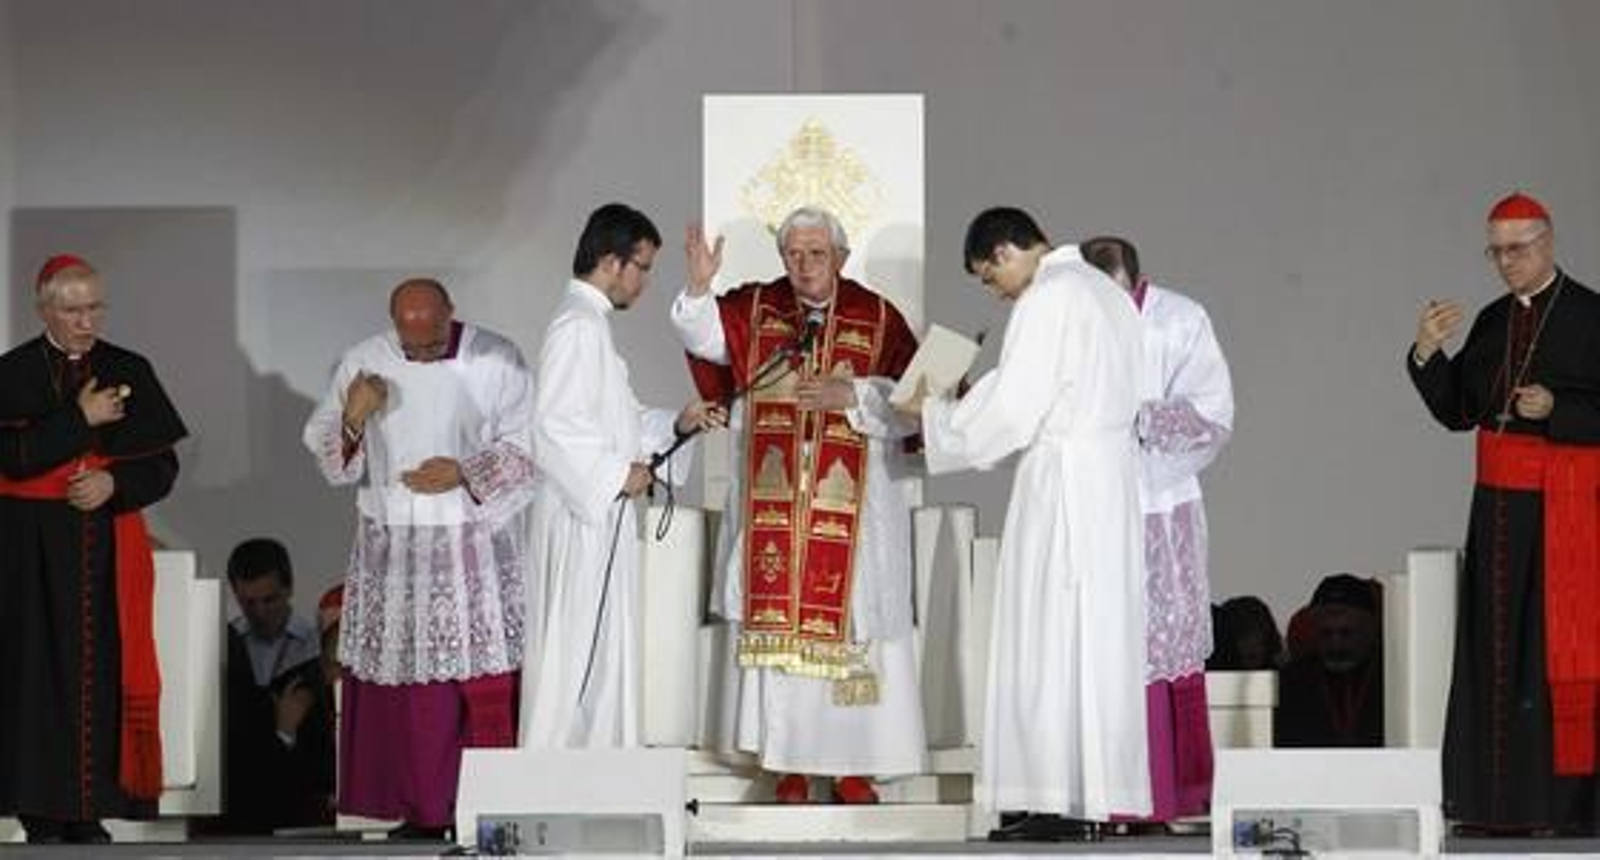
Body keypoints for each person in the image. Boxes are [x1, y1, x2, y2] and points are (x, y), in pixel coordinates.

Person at [905, 207, 1149, 832]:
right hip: (1109, 481)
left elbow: (1015, 408)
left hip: (1063, 483)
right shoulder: (1108, 293)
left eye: (989, 278)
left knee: (1047, 634)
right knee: (1092, 638)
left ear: (1006, 251)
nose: (995, 291)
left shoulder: (1049, 298)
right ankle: (1093, 797)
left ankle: (1055, 797)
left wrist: (936, 417)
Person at [672, 207, 924, 804]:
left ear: (840, 256)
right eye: (794, 254)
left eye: (817, 253)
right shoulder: (756, 307)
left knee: (854, 634)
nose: (805, 265)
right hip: (776, 507)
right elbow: (702, 335)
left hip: (856, 512)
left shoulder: (878, 316)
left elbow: (918, 399)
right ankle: (788, 765)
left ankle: (852, 767)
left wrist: (855, 394)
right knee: (782, 640)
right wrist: (700, 287)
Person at [303, 278, 536, 840]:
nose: (419, 353)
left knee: (473, 681)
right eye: (409, 342)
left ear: (450, 315)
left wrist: (463, 470)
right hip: (396, 551)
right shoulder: (364, 360)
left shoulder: (496, 356)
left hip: (471, 543)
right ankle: (416, 805)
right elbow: (334, 461)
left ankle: (476, 805)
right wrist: (356, 416)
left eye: (430, 342)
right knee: (408, 691)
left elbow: (530, 445)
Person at [1408, 191, 1600, 834]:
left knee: (1552, 652)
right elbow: (1460, 410)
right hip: (1495, 512)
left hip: (1566, 511)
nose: (1505, 263)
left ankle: (1562, 806)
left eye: (1517, 249)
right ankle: (1495, 805)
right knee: (1494, 649)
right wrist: (1427, 354)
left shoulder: (1591, 316)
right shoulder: (1492, 321)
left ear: (1548, 242)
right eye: (1495, 251)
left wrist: (1561, 413)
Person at [0, 254, 187, 844]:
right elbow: (12, 459)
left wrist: (115, 485)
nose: (87, 321)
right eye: (73, 309)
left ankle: (90, 809)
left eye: (94, 308)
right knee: (30, 678)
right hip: (25, 550)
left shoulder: (128, 367)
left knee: (98, 673)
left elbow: (161, 465)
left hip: (101, 548)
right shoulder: (11, 373)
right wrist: (79, 418)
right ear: (44, 308)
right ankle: (37, 810)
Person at [521, 203, 723, 749]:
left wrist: (676, 425)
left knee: (601, 649)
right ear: (612, 261)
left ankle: (599, 770)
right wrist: (615, 474)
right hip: (581, 518)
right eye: (644, 267)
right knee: (578, 654)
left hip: (598, 516)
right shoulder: (576, 326)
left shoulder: (589, 325)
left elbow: (619, 419)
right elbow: (555, 425)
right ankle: (563, 774)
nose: (646, 282)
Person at [1083, 235, 1233, 824]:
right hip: (1090, 507)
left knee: (1158, 645)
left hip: (1157, 503)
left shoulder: (1179, 319)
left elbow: (1214, 411)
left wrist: (1140, 417)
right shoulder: (1074, 323)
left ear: (1133, 281)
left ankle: (1167, 795)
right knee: (1096, 649)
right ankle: (1098, 796)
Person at [221, 537, 335, 834]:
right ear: (234, 592)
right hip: (239, 791)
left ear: (289, 588)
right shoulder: (222, 645)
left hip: (300, 795)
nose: (259, 612)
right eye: (248, 602)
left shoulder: (317, 647)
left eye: (269, 600)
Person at [1274, 574, 1383, 748]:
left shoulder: (1391, 678)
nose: (1336, 644)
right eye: (1326, 633)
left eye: (1346, 633)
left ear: (1370, 631)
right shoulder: (1291, 682)